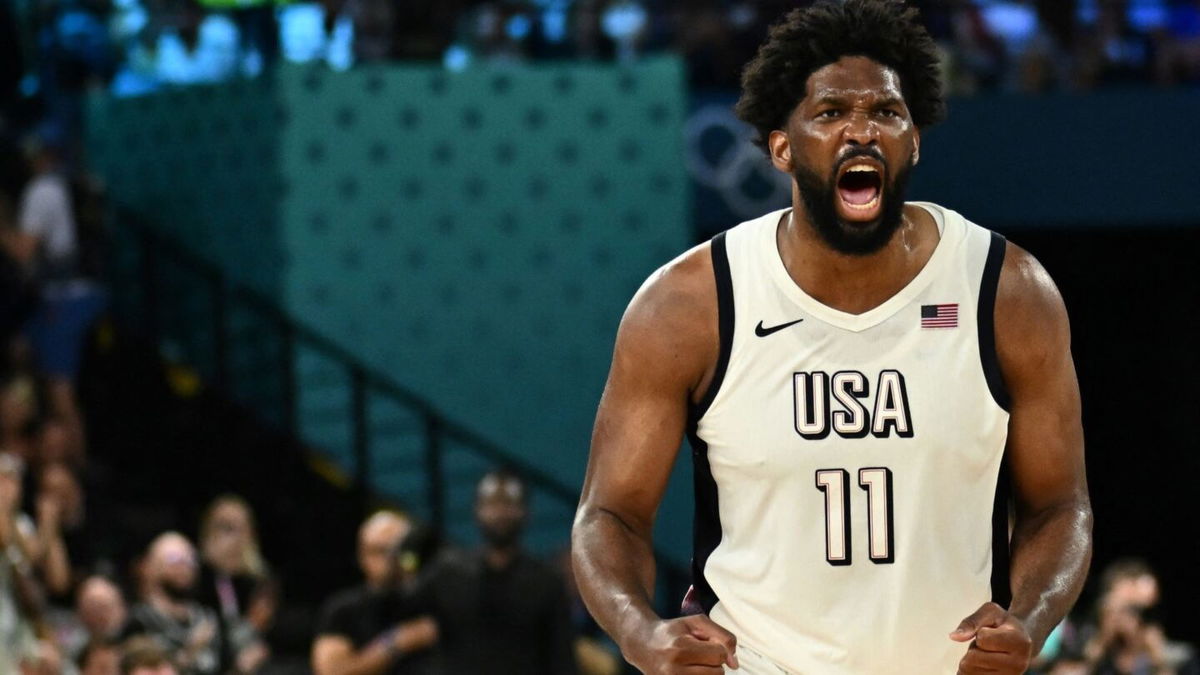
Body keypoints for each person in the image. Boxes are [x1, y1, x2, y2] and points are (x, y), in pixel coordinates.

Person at [571, 1, 1093, 674]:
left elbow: (1060, 504)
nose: (861, 131)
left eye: (885, 113)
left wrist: (1030, 618)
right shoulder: (689, 304)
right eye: (830, 113)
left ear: (914, 139)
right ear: (782, 146)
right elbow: (608, 513)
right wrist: (640, 632)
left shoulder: (1006, 291)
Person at [417, 470, 578, 675]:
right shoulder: (448, 573)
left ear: (526, 511)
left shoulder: (547, 582)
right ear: (477, 510)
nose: (500, 512)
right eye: (492, 503)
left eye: (509, 503)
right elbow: (399, 610)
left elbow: (562, 657)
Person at [311, 511, 438, 675]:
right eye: (380, 550)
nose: (390, 559)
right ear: (362, 555)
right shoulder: (342, 610)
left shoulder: (432, 602)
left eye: (398, 549)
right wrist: (396, 642)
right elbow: (331, 671)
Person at [196, 495, 275, 673]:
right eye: (225, 528)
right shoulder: (197, 578)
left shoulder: (261, 581)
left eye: (241, 529)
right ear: (208, 531)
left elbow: (269, 635)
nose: (234, 538)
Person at [127, 532, 222, 675]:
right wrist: (189, 653)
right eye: (174, 559)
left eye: (191, 560)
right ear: (152, 567)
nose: (185, 567)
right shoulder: (138, 621)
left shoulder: (208, 619)